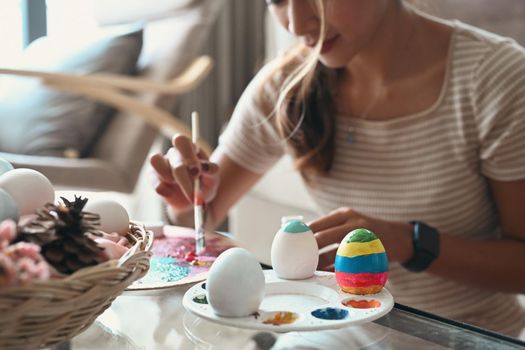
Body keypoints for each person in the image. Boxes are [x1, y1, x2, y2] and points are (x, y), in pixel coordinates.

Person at [150, 0, 525, 337]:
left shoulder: (496, 80)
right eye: (277, 0)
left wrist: (409, 242)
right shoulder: (286, 86)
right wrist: (189, 196)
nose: (297, 24)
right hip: (342, 324)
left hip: (471, 333)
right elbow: (200, 219)